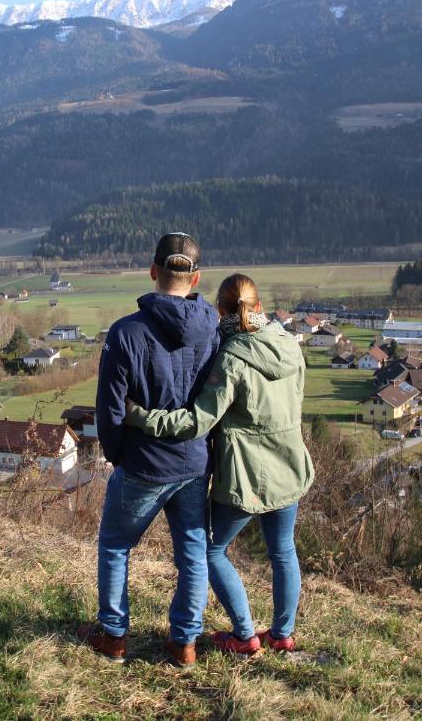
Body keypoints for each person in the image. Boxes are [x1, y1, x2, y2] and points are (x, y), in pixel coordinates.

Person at [126, 273, 314, 656]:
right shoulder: (289, 344)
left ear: (220, 311)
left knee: (212, 551)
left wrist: (141, 417)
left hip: (246, 478)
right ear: (259, 306)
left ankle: (244, 635)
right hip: (290, 467)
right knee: (283, 551)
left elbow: (197, 421)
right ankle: (282, 634)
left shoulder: (230, 357)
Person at [78, 232, 220, 667]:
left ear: (153, 271)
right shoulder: (213, 327)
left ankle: (115, 636)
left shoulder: (126, 333)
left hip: (143, 463)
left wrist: (118, 454)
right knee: (193, 553)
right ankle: (184, 644)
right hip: (195, 463)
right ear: (195, 279)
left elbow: (110, 407)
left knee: (116, 545)